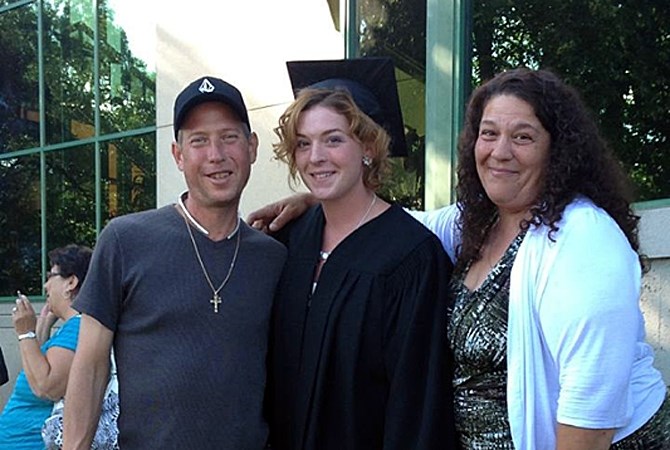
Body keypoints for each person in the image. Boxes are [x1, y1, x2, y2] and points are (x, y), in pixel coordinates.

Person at [248, 67, 670, 450]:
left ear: (557, 151)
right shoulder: (476, 224)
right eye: (489, 134)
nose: (500, 151)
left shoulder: (583, 239)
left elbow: (590, 419)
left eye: (522, 136)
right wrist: (320, 195)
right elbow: (385, 227)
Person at [62, 76, 287, 450]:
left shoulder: (273, 257)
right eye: (198, 140)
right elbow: (90, 365)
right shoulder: (125, 239)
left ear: (252, 147)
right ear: (178, 155)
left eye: (229, 137)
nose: (216, 154)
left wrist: (309, 201)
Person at [266, 57, 456, 450]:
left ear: (368, 146)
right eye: (303, 143)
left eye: (333, 139)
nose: (315, 156)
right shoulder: (290, 238)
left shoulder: (412, 258)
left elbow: (417, 407)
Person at [0, 244, 92, 449]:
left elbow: (46, 386)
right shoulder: (71, 328)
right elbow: (38, 364)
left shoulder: (78, 329)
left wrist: (25, 333)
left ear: (71, 282)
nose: (45, 285)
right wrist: (44, 324)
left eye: (51, 276)